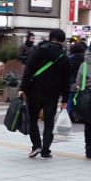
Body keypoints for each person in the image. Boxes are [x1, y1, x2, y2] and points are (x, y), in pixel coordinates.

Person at [18, 29, 70, 159]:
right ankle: (46, 150)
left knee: (33, 119)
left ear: (50, 37)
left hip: (34, 91)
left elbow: (28, 69)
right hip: (52, 94)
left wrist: (22, 87)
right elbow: (66, 80)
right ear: (62, 40)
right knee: (49, 122)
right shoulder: (63, 57)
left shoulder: (38, 50)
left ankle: (36, 146)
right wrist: (65, 98)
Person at [67, 42, 87, 121]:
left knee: (71, 98)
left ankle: (69, 114)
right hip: (82, 82)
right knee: (80, 98)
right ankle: (80, 116)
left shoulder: (70, 58)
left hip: (73, 82)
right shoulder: (86, 59)